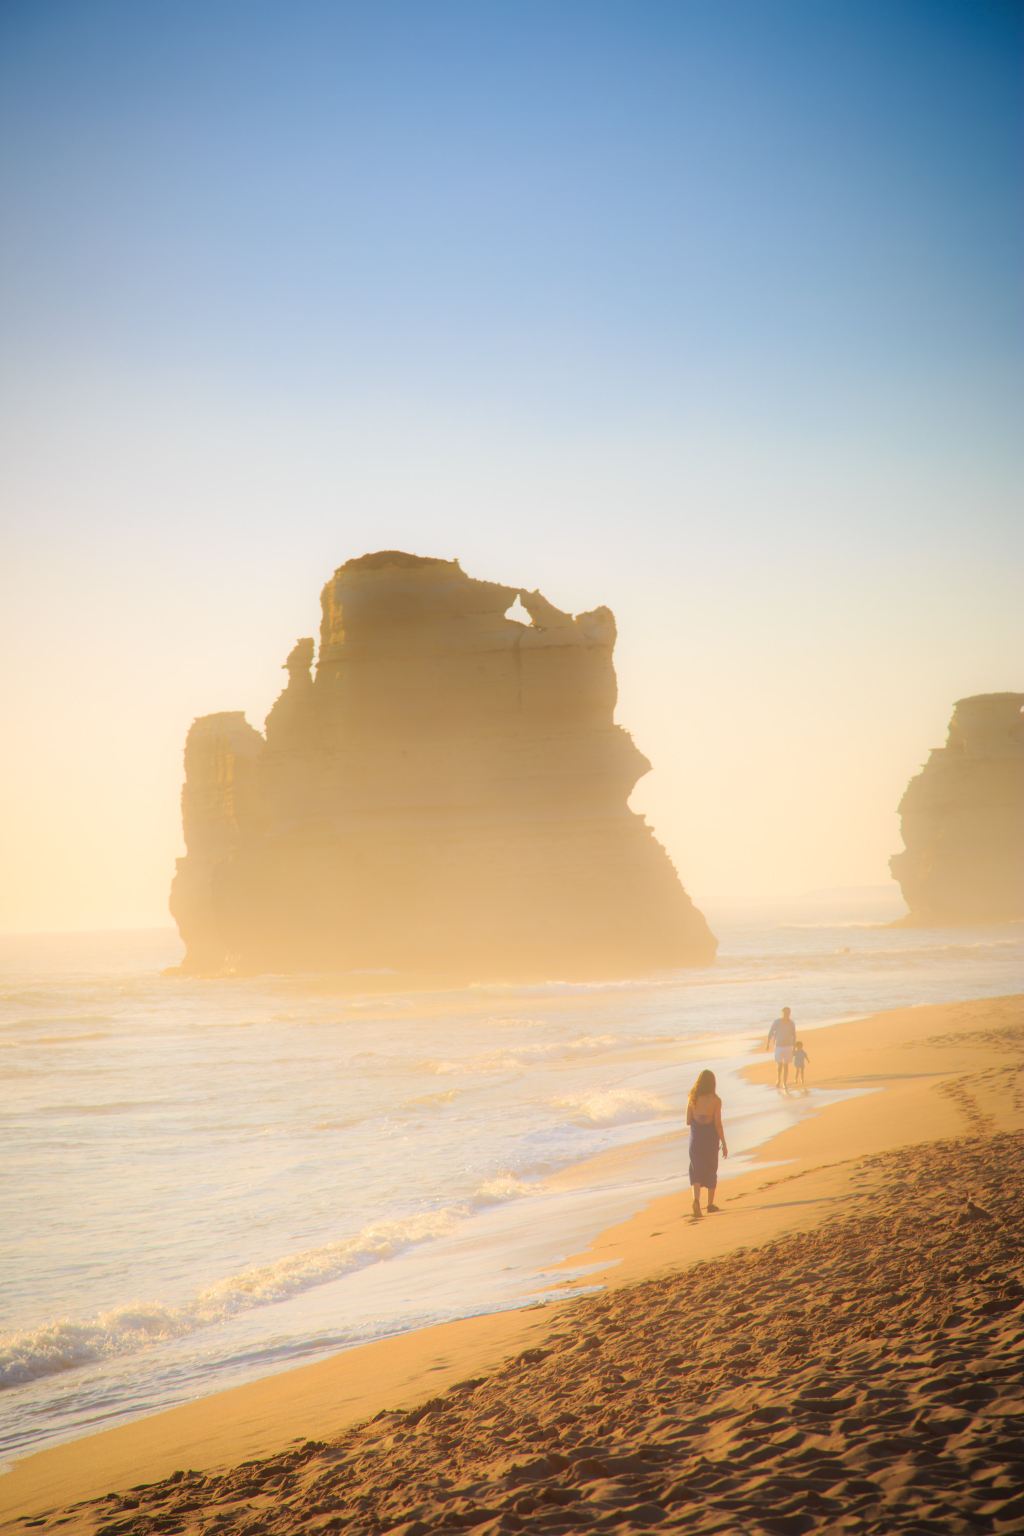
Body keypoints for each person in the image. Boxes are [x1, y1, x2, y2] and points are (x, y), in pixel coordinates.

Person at [686, 1068, 728, 1218]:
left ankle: (696, 1200)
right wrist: (724, 1143)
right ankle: (710, 1204)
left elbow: (688, 1121)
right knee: (711, 1167)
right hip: (710, 1139)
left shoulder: (692, 1098)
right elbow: (718, 1124)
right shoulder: (716, 1100)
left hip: (696, 1138)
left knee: (695, 1169)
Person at [766, 1006, 797, 1091]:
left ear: (790, 1013)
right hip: (778, 1046)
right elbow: (771, 1031)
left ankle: (784, 1082)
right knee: (779, 1065)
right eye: (785, 1013)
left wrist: (794, 1047)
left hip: (788, 1046)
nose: (786, 1014)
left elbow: (794, 1035)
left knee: (786, 1065)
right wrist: (767, 1043)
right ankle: (778, 1079)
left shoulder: (791, 1023)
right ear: (782, 1013)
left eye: (788, 1013)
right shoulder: (777, 1022)